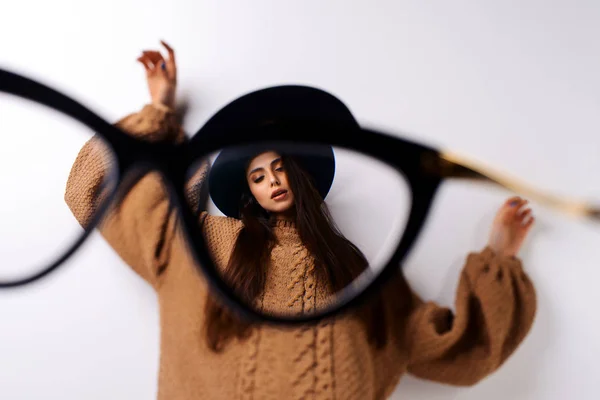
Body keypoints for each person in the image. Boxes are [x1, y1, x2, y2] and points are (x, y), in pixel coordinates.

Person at [64, 41, 537, 400]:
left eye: (280, 166)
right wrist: (159, 113)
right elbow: (98, 196)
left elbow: (451, 348)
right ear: (245, 190)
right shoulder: (210, 241)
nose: (272, 180)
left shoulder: (351, 268)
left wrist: (498, 259)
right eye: (256, 175)